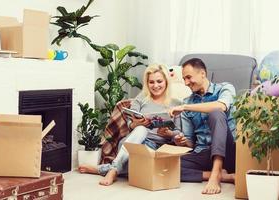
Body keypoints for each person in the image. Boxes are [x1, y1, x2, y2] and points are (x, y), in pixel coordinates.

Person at [78, 64, 183, 186]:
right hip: (132, 143)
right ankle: (113, 171)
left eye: (159, 81)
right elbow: (129, 124)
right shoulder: (141, 99)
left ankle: (105, 169)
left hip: (157, 147)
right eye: (151, 82)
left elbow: (180, 132)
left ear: (166, 81)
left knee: (139, 162)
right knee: (141, 129)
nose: (155, 86)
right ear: (147, 83)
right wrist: (135, 124)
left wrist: (169, 133)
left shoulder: (177, 103)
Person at [169, 58, 236, 195]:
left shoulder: (225, 88)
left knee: (216, 113)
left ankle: (216, 175)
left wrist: (185, 107)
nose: (186, 83)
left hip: (228, 151)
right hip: (203, 153)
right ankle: (223, 176)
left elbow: (221, 106)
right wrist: (181, 141)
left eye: (189, 77)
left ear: (202, 74)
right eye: (184, 79)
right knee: (167, 166)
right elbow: (190, 143)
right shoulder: (187, 102)